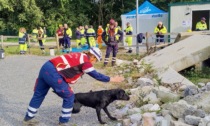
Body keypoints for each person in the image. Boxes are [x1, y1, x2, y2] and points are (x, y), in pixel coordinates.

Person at [23, 47, 124, 126]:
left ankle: (28, 118)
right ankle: (63, 122)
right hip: (54, 73)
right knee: (69, 96)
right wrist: (112, 79)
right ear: (92, 56)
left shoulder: (79, 55)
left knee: (39, 95)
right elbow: (96, 75)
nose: (94, 62)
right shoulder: (86, 61)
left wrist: (66, 86)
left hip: (47, 67)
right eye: (96, 60)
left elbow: (65, 70)